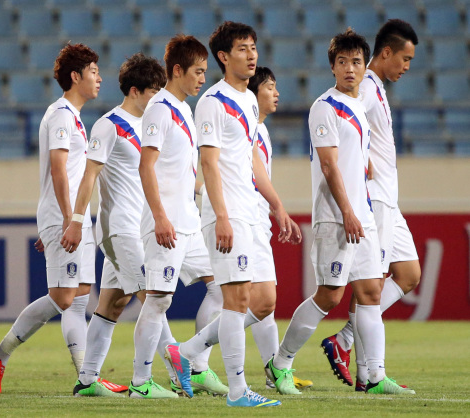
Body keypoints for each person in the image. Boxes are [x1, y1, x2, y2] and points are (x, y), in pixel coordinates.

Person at [265, 28, 414, 396]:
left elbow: (355, 162)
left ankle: (374, 377)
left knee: (370, 292)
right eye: (343, 62)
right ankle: (279, 364)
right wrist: (348, 209)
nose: (350, 69)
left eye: (356, 62)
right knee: (330, 296)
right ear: (332, 66)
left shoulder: (358, 109)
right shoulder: (324, 107)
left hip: (361, 213)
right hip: (336, 215)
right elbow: (330, 166)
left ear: (366, 67)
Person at [164, 22, 299, 407]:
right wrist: (220, 215)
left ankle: (186, 351)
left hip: (252, 214)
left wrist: (276, 204)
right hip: (229, 214)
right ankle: (238, 391)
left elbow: (253, 158)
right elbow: (208, 162)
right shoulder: (212, 101)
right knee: (237, 301)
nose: (252, 54)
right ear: (224, 57)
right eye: (242, 49)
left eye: (253, 47)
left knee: (265, 301)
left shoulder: (250, 101)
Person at [0, 43, 105, 395]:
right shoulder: (62, 115)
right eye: (93, 72)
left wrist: (74, 219)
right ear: (75, 76)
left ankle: (84, 378)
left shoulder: (75, 118)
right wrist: (69, 220)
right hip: (69, 218)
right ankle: (4, 356)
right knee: (65, 298)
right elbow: (58, 170)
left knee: (78, 297)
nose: (99, 78)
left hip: (75, 218)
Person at [320, 19, 421, 391]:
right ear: (387, 52)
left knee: (408, 274)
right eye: (405, 59)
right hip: (374, 198)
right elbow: (344, 124)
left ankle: (343, 341)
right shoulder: (363, 88)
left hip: (388, 201)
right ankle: (369, 374)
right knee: (370, 284)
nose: (406, 67)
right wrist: (363, 166)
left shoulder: (376, 88)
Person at [60, 53, 166, 397]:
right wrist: (77, 222)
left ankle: (87, 381)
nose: (158, 99)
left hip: (139, 228)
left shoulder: (151, 127)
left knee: (111, 305)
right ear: (135, 90)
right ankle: (166, 376)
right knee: (153, 298)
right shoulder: (110, 124)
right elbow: (89, 177)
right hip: (118, 228)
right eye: (153, 92)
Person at [128, 34, 218, 400]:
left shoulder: (184, 110)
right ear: (177, 70)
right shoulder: (160, 109)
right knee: (159, 300)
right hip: (165, 223)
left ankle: (193, 360)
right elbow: (145, 166)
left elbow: (180, 169)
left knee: (224, 287)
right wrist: (160, 217)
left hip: (189, 222)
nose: (202, 79)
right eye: (197, 72)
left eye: (205, 72)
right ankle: (140, 382)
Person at [247, 67, 313, 391]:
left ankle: (277, 371)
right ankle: (193, 354)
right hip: (247, 221)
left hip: (256, 220)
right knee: (259, 302)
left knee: (261, 305)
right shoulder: (249, 127)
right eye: (270, 87)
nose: (276, 94)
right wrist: (278, 207)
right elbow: (257, 176)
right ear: (254, 92)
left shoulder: (261, 129)